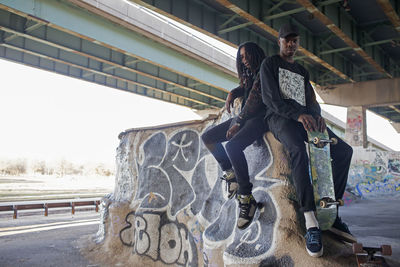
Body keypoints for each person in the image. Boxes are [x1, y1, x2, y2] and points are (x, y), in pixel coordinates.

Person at [260, 24, 355, 257]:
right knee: (298, 150)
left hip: (305, 119)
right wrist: (297, 115)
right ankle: (311, 220)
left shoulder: (302, 71)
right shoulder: (270, 64)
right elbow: (271, 99)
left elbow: (311, 101)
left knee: (344, 151)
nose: (291, 45)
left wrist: (317, 117)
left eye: (295, 41)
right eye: (287, 40)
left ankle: (330, 210)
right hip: (280, 119)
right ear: (279, 41)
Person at [201, 42, 268, 230]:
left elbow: (256, 96)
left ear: (256, 54)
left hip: (259, 120)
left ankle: (246, 199)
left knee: (232, 146)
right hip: (244, 118)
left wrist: (238, 121)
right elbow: (248, 89)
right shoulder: (250, 75)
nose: (244, 60)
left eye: (247, 56)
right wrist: (234, 92)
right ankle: (230, 173)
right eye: (241, 57)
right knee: (208, 137)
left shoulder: (265, 69)